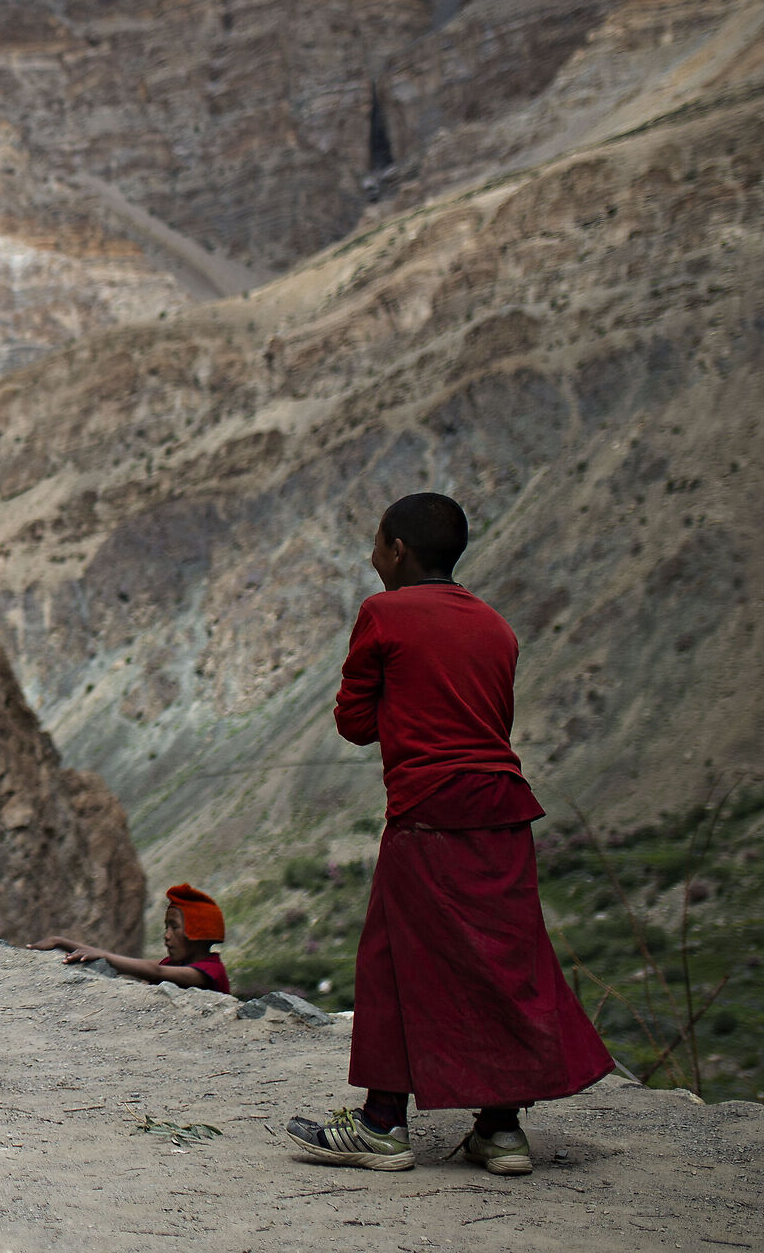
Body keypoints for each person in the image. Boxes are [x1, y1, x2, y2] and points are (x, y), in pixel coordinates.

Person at [286, 493, 611, 1176]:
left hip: (428, 811)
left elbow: (355, 722)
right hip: (504, 811)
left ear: (397, 550)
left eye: (377, 542)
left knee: (393, 960)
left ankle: (381, 1125)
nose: (372, 556)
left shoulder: (384, 613)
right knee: (500, 962)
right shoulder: (497, 627)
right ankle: (499, 1130)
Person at [30, 884, 231, 992]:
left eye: (175, 928)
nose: (167, 936)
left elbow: (155, 971)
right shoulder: (177, 964)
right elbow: (133, 963)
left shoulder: (209, 972)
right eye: (166, 927)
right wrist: (60, 942)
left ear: (199, 934)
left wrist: (102, 956)